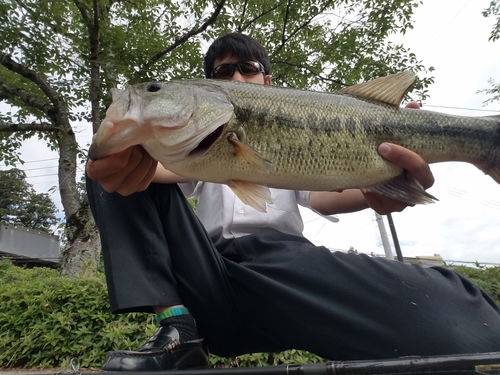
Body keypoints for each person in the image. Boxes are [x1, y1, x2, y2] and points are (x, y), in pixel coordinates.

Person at [86, 33, 500, 372]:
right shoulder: (184, 153)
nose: (237, 77)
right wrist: (118, 154)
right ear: (208, 87)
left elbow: (323, 197)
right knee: (110, 174)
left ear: (268, 81)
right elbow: (150, 175)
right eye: (222, 72)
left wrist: (386, 187)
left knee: (466, 326)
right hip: (206, 274)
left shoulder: (294, 131)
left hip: (286, 267)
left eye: (248, 69)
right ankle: (176, 327)